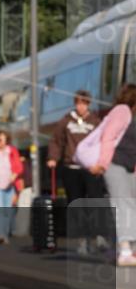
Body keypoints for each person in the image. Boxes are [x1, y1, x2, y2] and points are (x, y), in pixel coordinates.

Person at [47, 89, 105, 254]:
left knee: (95, 201)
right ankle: (82, 240)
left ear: (88, 104)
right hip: (71, 167)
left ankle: (99, 235)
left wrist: (102, 162)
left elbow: (102, 141)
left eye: (84, 103)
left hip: (90, 168)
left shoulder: (95, 121)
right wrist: (53, 157)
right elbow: (56, 141)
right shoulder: (66, 121)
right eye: (78, 103)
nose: (81, 106)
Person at [91, 83, 136, 267]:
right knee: (122, 204)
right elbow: (108, 137)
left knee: (131, 205)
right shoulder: (121, 111)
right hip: (114, 163)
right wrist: (102, 163)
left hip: (130, 166)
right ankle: (125, 251)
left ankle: (120, 249)